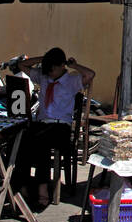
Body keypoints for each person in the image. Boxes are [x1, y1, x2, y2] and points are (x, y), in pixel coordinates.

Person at [12, 48, 95, 210]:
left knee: (42, 142)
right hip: (42, 123)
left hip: (60, 127)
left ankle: (42, 189)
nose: (49, 73)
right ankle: (21, 185)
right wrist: (43, 58)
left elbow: (90, 74)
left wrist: (74, 65)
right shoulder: (43, 77)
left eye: (53, 69)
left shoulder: (71, 81)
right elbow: (22, 65)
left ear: (61, 66)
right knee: (21, 138)